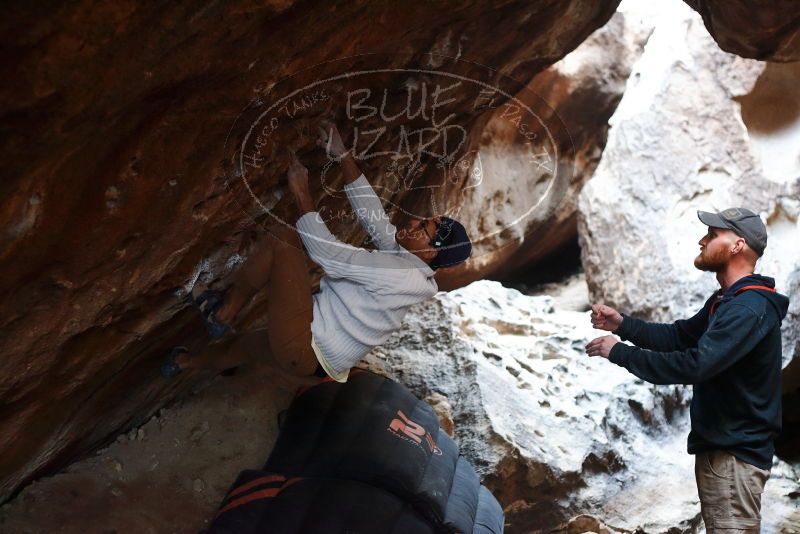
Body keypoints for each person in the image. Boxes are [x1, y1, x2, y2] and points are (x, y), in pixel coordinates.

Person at [162, 121, 472, 382]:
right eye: (425, 219)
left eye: (424, 229)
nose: (415, 222)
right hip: (313, 359)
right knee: (240, 347)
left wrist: (301, 193)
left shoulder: (401, 273)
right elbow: (373, 217)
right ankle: (183, 364)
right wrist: (343, 155)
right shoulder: (412, 267)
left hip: (306, 346)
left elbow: (330, 257)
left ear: (431, 253)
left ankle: (224, 311)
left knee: (282, 239)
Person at [585, 208, 789, 533]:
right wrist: (623, 325)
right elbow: (678, 337)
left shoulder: (748, 308)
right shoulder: (727, 301)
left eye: (712, 235)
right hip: (723, 453)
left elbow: (696, 364)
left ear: (737, 245)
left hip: (734, 457)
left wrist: (620, 352)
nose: (702, 240)